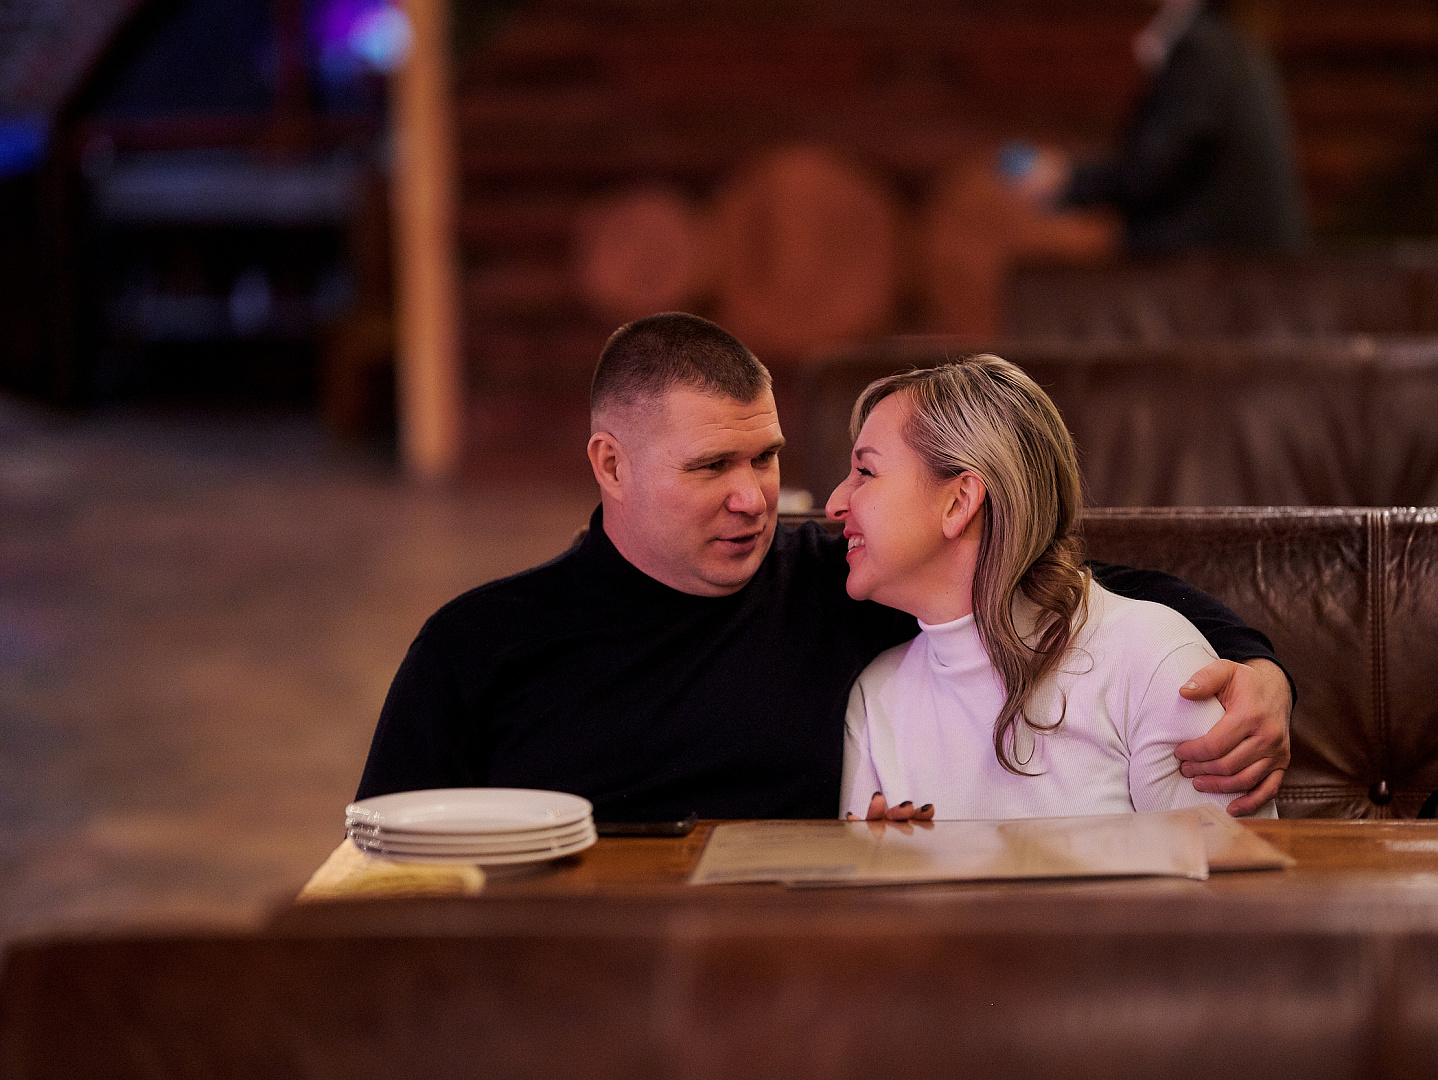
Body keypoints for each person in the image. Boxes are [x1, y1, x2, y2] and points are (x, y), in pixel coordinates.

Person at [356, 313, 1292, 821]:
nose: (754, 498)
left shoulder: (835, 582)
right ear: (611, 465)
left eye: (765, 457)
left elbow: (1058, 580)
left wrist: (1256, 664)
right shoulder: (479, 646)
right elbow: (381, 869)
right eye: (711, 467)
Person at [835, 355, 1274, 820]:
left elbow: (1237, 865)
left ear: (959, 502)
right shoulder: (875, 696)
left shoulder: (1152, 660)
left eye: (865, 472)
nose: (835, 503)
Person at [1006, 0, 1305, 256]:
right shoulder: (1227, 42)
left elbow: (1152, 168)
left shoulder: (1203, 49)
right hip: (1239, 273)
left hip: (1219, 276)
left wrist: (1068, 180)